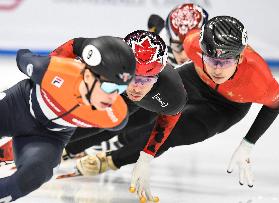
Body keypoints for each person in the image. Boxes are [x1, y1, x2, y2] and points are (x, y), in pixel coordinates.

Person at [74, 15, 279, 201]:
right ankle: (73, 142)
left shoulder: (259, 79)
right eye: (210, 59)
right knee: (139, 108)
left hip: (228, 106)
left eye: (226, 62)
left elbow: (275, 104)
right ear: (200, 51)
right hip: (194, 79)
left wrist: (248, 143)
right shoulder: (192, 43)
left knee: (177, 132)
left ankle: (110, 160)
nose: (217, 69)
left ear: (240, 57)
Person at [50, 30, 187, 202]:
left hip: (144, 104)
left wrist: (146, 157)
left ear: (158, 77)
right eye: (134, 78)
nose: (137, 87)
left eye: (146, 80)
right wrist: (49, 68)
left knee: (123, 122)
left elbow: (169, 118)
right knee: (89, 111)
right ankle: (60, 144)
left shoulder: (172, 94)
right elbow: (75, 45)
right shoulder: (109, 52)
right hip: (115, 85)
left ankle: (64, 147)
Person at [0, 36, 136, 202]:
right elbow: (22, 56)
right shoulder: (53, 70)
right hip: (17, 107)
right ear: (87, 76)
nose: (113, 96)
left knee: (34, 176)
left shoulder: (116, 116)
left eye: (121, 88)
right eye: (109, 87)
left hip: (48, 137)